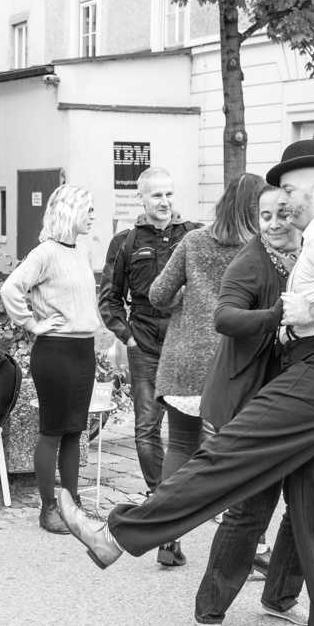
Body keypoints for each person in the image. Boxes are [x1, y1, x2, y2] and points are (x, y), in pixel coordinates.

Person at [57, 139, 314, 626]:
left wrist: (306, 312)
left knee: (225, 458)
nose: (286, 204)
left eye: (292, 193)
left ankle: (115, 536)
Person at [191, 183, 308, 626]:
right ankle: (210, 611)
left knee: (306, 504)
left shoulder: (313, 253)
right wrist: (278, 315)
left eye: (283, 214)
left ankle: (279, 597)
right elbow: (224, 317)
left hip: (302, 395)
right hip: (252, 396)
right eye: (265, 216)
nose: (275, 224)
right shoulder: (252, 260)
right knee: (250, 510)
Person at [147, 172, 266, 568]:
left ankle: (167, 537)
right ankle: (251, 543)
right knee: (240, 454)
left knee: (180, 445)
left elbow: (157, 295)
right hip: (234, 363)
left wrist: (185, 298)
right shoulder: (260, 249)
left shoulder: (193, 240)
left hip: (184, 359)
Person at [98, 169, 199, 559]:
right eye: (156, 194)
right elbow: (109, 297)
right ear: (141, 199)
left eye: (170, 193)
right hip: (144, 339)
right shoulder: (125, 242)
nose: (164, 201)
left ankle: (176, 507)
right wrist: (126, 336)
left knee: (191, 426)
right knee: (146, 428)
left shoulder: (193, 235)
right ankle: (162, 504)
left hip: (183, 339)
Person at [1, 184, 101, 534]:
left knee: (76, 431)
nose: (93, 215)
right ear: (71, 211)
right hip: (55, 352)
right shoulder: (45, 253)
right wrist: (32, 324)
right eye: (88, 209)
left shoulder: (82, 250)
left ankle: (71, 506)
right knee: (53, 430)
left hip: (82, 351)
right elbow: (10, 288)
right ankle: (48, 509)